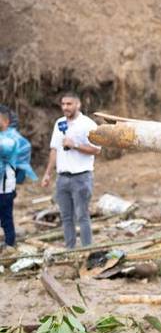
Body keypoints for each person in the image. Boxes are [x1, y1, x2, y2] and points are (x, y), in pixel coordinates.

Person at [41, 93, 101, 248]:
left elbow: (97, 149)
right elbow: (54, 149)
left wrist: (75, 145)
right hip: (62, 178)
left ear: (78, 105)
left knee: (82, 215)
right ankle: (70, 249)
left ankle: (87, 249)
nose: (65, 107)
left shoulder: (88, 124)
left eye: (69, 104)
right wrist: (48, 173)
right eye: (63, 104)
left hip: (81, 177)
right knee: (66, 217)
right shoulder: (59, 123)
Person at [0, 106, 37, 249]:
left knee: (6, 218)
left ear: (6, 121)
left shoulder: (11, 139)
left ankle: (10, 244)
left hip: (5, 187)